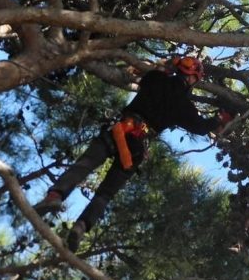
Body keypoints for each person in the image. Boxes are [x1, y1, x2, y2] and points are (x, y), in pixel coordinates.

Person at [33, 56, 233, 252]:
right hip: (137, 146)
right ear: (192, 79)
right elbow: (200, 127)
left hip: (121, 129)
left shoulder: (155, 78)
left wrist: (168, 65)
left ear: (178, 68)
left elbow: (157, 72)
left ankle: (55, 195)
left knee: (84, 164)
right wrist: (221, 118)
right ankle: (82, 226)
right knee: (106, 192)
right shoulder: (184, 105)